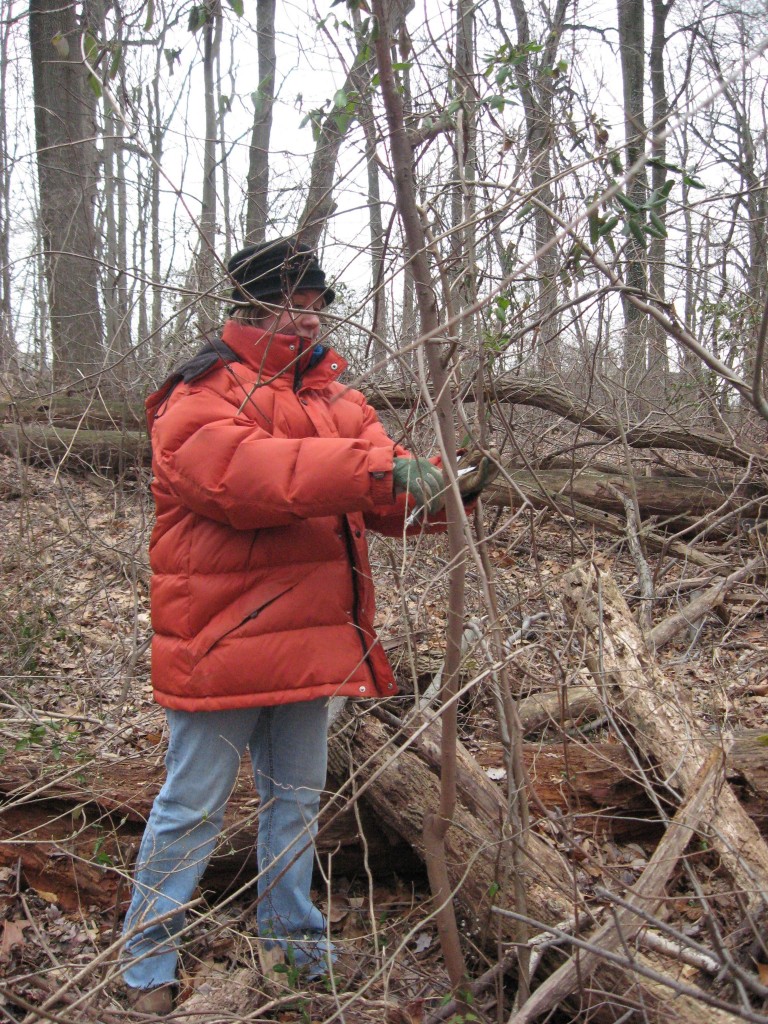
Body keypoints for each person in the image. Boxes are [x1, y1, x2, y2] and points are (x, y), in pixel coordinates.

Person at [121, 238, 488, 1015]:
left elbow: (381, 494)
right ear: (252, 306)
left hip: (313, 639)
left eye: (317, 303)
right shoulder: (200, 393)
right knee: (191, 808)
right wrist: (378, 470)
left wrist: (445, 492)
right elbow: (247, 478)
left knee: (295, 800)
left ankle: (294, 947)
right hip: (223, 643)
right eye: (295, 302)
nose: (309, 317)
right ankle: (147, 964)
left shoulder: (335, 396)